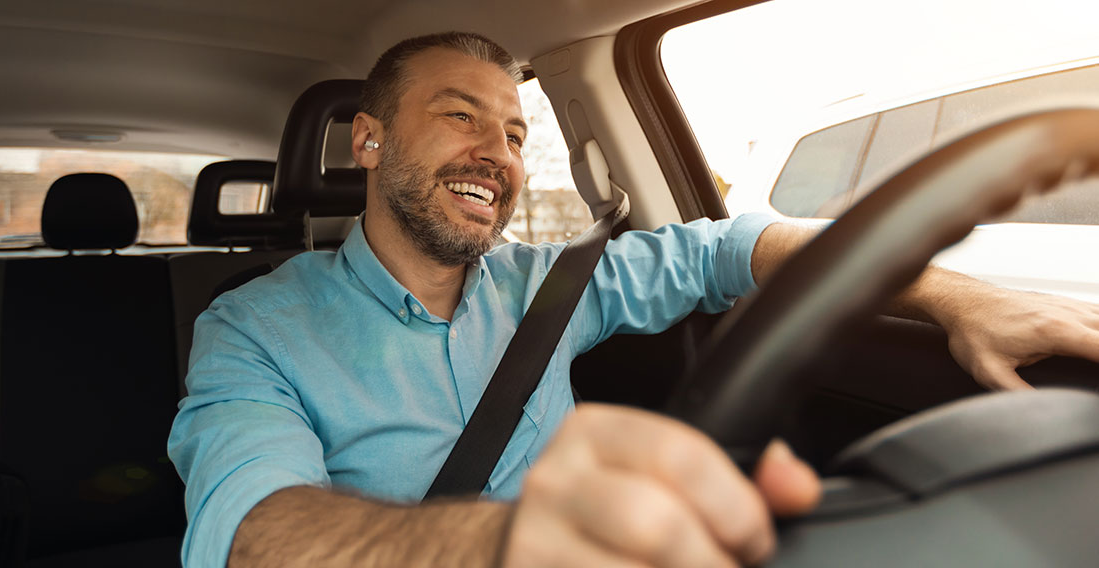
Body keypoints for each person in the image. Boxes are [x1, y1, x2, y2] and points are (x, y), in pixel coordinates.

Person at [167, 32, 1099, 568]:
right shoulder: (253, 326)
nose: (498, 151)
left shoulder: (553, 285)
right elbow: (255, 529)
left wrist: (954, 296)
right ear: (367, 142)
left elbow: (736, 246)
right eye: (461, 115)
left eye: (514, 131)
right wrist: (508, 545)